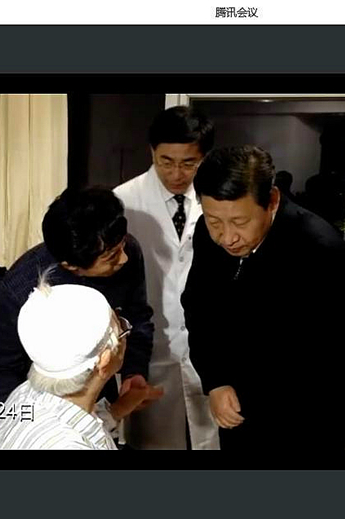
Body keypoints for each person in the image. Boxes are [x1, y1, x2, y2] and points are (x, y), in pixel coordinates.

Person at [182, 145, 345, 451]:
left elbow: (335, 358)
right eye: (214, 221)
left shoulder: (319, 250)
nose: (227, 237)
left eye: (240, 222)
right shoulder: (208, 238)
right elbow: (200, 308)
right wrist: (216, 380)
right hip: (237, 408)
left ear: (272, 200)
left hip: (306, 417)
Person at [0, 186, 162, 430]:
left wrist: (134, 371)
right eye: (111, 256)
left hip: (98, 399)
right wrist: (27, 428)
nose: (124, 258)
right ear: (70, 266)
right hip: (41, 405)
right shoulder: (21, 288)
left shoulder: (125, 250)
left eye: (121, 245)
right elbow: (1, 370)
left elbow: (138, 317)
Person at [114, 106, 219, 450]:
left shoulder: (217, 199)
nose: (176, 174)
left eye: (189, 163)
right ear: (152, 152)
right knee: (153, 443)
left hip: (206, 349)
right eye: (166, 161)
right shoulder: (123, 201)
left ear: (205, 157)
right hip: (150, 351)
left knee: (212, 439)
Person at [0, 280, 155, 449]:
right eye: (121, 327)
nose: (125, 331)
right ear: (104, 361)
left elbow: (73, 423)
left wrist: (117, 410)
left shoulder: (25, 394)